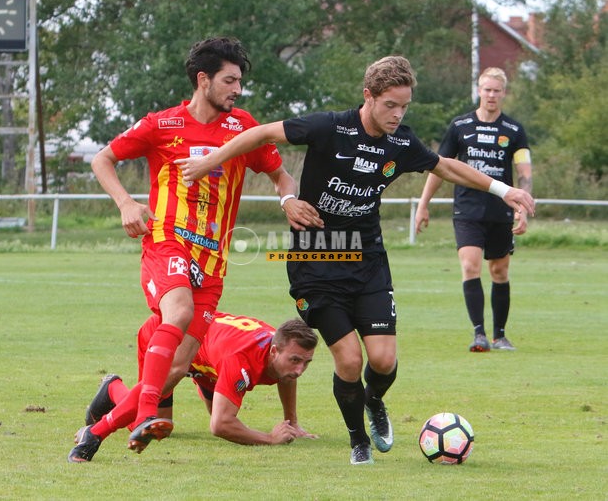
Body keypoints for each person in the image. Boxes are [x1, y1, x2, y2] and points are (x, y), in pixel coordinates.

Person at [175, 56, 535, 465]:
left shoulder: (400, 143)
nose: (398, 114)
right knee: (349, 359)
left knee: (383, 360)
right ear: (369, 96)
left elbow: (446, 166)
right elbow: (260, 133)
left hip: (367, 260)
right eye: (390, 105)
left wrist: (505, 190)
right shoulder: (330, 127)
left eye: (404, 106)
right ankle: (358, 441)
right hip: (315, 263)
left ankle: (374, 400)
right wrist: (213, 162)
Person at [88, 37, 319, 455]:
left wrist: (287, 199)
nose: (238, 89)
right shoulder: (162, 124)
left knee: (177, 369)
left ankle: (114, 395)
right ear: (203, 80)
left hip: (212, 261)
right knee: (178, 312)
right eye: (230, 80)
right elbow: (102, 159)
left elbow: (280, 175)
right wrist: (126, 203)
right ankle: (125, 420)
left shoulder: (243, 127)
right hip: (168, 242)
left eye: (240, 81)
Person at [68, 312, 318, 462]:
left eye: (306, 363)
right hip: (167, 337)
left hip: (204, 358)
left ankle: (110, 403)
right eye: (295, 360)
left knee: (174, 422)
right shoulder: (240, 360)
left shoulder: (277, 350)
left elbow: (287, 376)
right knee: (147, 426)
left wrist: (293, 422)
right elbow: (220, 426)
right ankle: (113, 388)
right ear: (274, 351)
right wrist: (270, 439)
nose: (299, 370)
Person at [415, 67, 533, 353]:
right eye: (487, 89)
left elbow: (524, 172)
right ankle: (479, 334)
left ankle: (500, 335)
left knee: (499, 271)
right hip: (467, 209)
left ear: (504, 93)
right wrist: (423, 204)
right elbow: (439, 167)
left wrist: (524, 206)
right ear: (479, 90)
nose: (491, 95)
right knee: (470, 265)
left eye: (496, 90)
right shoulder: (460, 126)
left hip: (501, 211)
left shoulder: (514, 130)